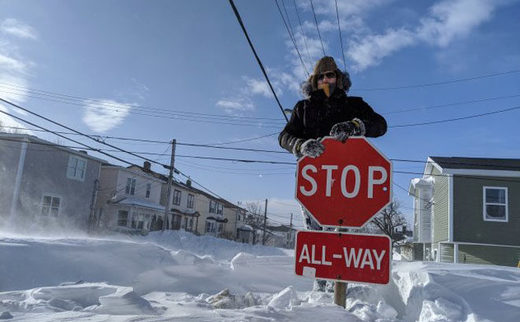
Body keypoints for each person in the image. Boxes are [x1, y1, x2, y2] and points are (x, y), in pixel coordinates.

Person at [278, 56, 387, 292]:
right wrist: (301, 145)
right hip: (314, 184)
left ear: (339, 79)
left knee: (340, 234)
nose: (326, 80)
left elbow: (380, 125)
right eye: (321, 76)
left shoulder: (354, 105)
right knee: (317, 236)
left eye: (331, 75)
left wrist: (355, 126)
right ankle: (321, 289)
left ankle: (339, 291)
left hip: (349, 182)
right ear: (314, 81)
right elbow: (284, 137)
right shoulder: (303, 108)